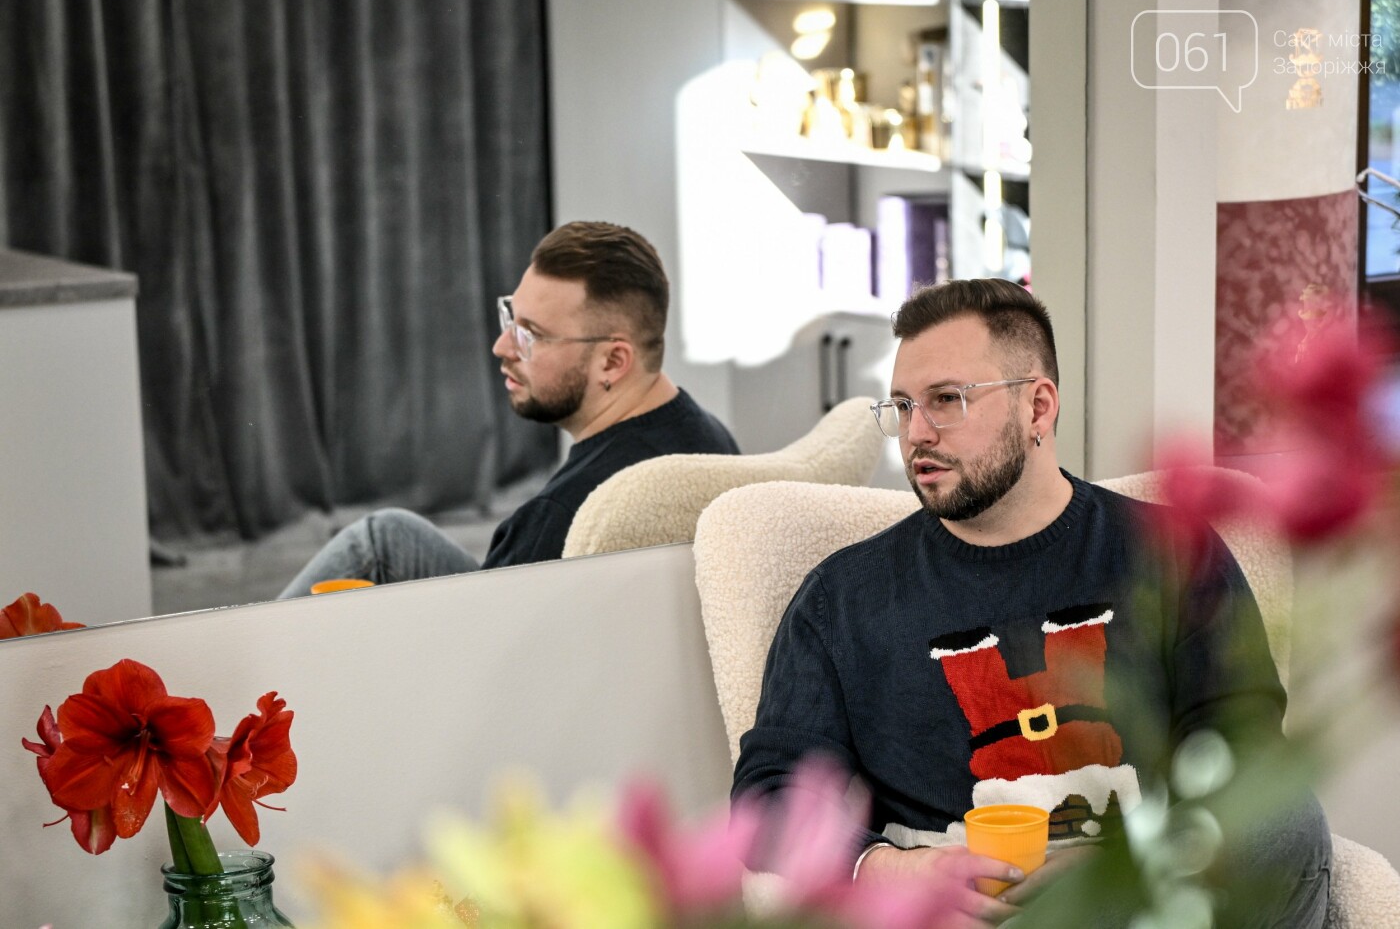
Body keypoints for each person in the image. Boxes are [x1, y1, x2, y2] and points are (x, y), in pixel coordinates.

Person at [731, 279, 1330, 927]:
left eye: (947, 400)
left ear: (1038, 408)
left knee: (1289, 820)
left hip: (1149, 888)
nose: (916, 433)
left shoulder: (1170, 551)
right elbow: (767, 797)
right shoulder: (843, 599)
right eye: (902, 406)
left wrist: (1130, 857)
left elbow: (1245, 742)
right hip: (968, 909)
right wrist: (887, 867)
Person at [278, 221, 739, 598]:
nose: (502, 346)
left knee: (372, 545)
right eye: (510, 318)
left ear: (613, 362)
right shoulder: (710, 439)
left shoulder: (557, 517)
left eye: (530, 334)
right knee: (386, 537)